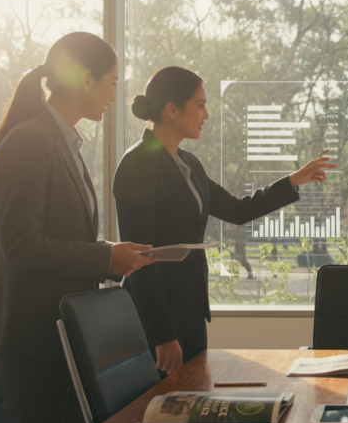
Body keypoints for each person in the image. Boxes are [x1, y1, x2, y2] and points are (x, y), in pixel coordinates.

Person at [0, 32, 155, 423]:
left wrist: (112, 255)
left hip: (58, 333)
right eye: (112, 82)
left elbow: (58, 235)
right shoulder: (28, 141)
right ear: (87, 79)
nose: (115, 95)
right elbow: (20, 245)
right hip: (28, 340)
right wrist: (103, 255)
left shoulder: (64, 142)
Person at [114, 66, 336, 375]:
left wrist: (294, 180)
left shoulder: (189, 164)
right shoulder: (137, 163)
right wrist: (163, 335)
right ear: (172, 110)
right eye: (201, 105)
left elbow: (238, 210)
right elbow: (139, 257)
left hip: (190, 315)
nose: (206, 115)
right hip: (157, 324)